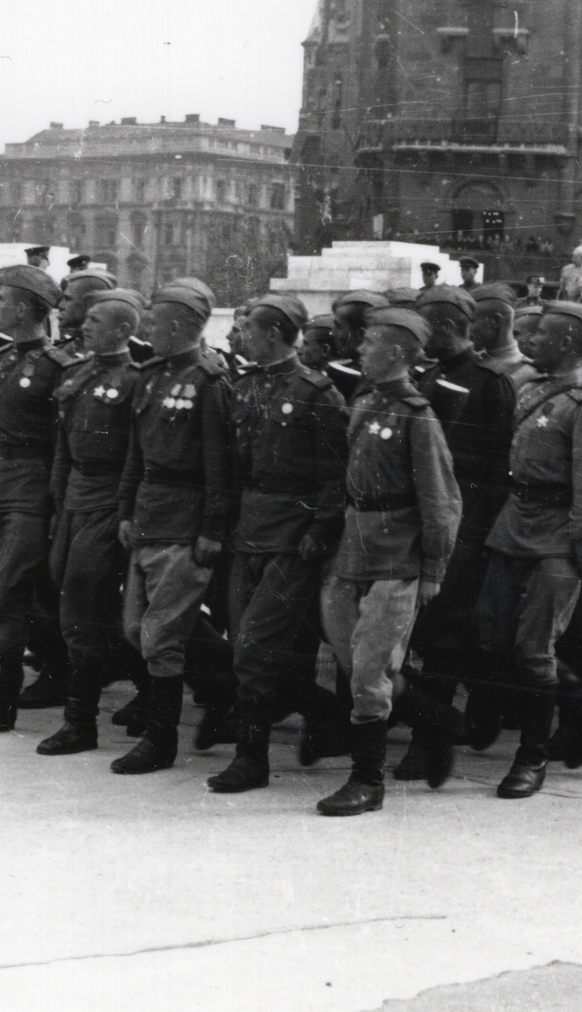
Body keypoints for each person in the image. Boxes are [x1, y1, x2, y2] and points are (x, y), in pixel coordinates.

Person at [316, 307, 460, 816]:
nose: (358, 349)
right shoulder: (365, 401)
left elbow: (440, 501)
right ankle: (437, 719)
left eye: (370, 342)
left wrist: (433, 571)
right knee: (355, 660)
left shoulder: (419, 416)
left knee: (369, 671)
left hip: (397, 556)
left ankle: (367, 781)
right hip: (352, 550)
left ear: (397, 353)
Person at [471, 302, 582, 797]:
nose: (528, 340)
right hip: (513, 527)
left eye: (540, 335)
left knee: (534, 651)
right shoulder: (531, 390)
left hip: (557, 537)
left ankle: (531, 758)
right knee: (492, 640)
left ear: (568, 346)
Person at [208, 295, 349, 793]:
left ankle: (253, 760)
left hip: (293, 536)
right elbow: (229, 464)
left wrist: (319, 531)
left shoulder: (318, 393)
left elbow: (336, 475)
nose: (239, 336)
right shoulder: (243, 387)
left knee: (253, 647)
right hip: (249, 530)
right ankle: (329, 719)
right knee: (243, 644)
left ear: (272, 335)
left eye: (249, 330)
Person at [110, 280, 236, 774]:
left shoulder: (209, 382)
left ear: (181, 326)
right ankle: (227, 690)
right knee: (135, 627)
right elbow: (135, 454)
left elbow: (220, 467)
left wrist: (211, 530)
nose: (147, 330)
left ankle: (160, 740)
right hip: (148, 515)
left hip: (185, 522)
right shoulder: (151, 375)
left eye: (156, 322)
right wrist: (125, 509)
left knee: (160, 636)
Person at [391, 286, 516, 784]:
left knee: (442, 634)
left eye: (425, 328)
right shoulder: (431, 375)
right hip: (427, 520)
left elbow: (500, 469)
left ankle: (431, 738)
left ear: (443, 326)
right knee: (429, 633)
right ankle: (474, 709)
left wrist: (478, 537)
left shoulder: (491, 383)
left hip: (465, 524)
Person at [0, 265, 80, 736]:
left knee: (7, 596)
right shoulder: (4, 358)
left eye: (3, 300)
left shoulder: (57, 367)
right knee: (0, 590)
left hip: (30, 491)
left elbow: (65, 443)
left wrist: (53, 503)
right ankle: (57, 671)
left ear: (25, 309)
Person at [36, 289, 149, 754]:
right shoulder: (76, 373)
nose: (85, 323)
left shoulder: (135, 380)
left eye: (97, 320)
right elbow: (64, 445)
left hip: (108, 501)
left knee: (83, 607)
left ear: (124, 330)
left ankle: (80, 722)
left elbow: (135, 455)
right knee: (78, 600)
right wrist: (59, 498)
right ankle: (150, 689)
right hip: (76, 501)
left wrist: (124, 510)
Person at [467, 283, 538, 387]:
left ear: (496, 321)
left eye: (472, 321)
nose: (468, 329)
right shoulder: (472, 361)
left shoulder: (529, 374)